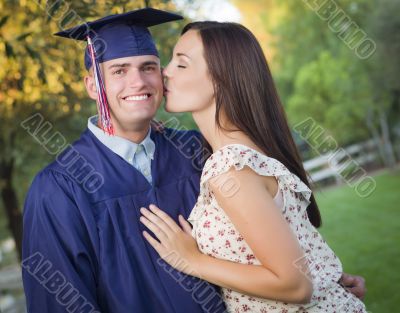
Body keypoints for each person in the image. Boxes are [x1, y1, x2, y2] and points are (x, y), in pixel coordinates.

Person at [140, 21, 368, 312]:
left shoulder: (230, 167)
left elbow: (295, 284)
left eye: (181, 64)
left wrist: (192, 260)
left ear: (221, 79)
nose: (165, 72)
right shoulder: (248, 153)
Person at [21, 8, 226, 313]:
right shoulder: (59, 188)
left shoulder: (196, 151)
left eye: (148, 67)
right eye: (119, 70)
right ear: (93, 86)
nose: (138, 82)